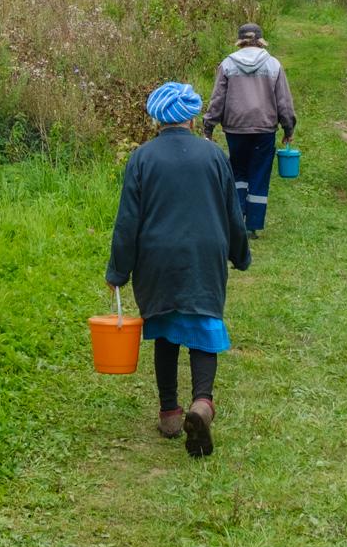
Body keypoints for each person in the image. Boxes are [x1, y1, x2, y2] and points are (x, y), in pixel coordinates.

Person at [105, 81, 251, 457]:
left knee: (165, 328)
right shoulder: (214, 156)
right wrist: (240, 253)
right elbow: (232, 212)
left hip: (157, 257)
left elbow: (128, 222)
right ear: (191, 115)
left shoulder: (142, 158)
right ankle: (202, 402)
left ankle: (169, 412)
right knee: (204, 323)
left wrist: (118, 272)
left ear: (158, 118)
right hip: (205, 253)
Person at [202, 22, 296, 235]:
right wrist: (288, 128)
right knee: (259, 174)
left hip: (236, 129)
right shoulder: (273, 65)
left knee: (238, 172)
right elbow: (284, 101)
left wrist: (209, 126)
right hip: (264, 129)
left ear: (240, 41)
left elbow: (218, 99)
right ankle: (252, 225)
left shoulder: (228, 64)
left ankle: (236, 220)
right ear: (261, 40)